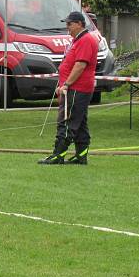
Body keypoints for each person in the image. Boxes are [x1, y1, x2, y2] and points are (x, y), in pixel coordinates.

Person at [39, 11, 99, 165]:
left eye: (69, 24)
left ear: (79, 24)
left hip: (77, 88)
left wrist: (66, 84)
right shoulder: (79, 40)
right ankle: (81, 156)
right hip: (78, 88)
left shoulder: (85, 40)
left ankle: (58, 155)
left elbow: (80, 65)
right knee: (80, 124)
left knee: (67, 121)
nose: (67, 27)